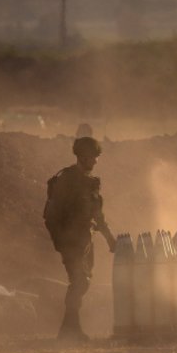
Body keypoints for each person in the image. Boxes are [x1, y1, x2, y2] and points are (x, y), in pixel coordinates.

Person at [44, 137, 116, 341]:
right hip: (71, 242)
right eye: (93, 157)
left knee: (82, 283)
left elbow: (97, 215)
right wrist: (62, 242)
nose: (95, 161)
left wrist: (109, 239)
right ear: (83, 156)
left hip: (85, 241)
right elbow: (51, 215)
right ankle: (69, 329)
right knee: (79, 281)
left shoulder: (91, 182)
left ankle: (69, 329)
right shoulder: (66, 180)